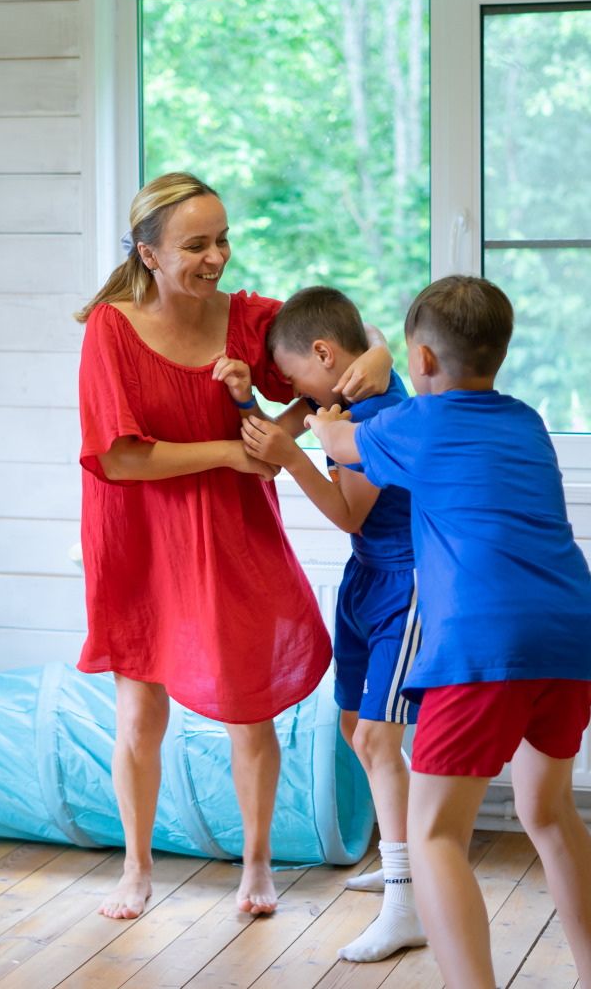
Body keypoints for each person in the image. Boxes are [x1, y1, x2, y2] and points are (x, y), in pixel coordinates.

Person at [75, 173, 392, 920]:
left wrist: (374, 356)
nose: (217, 256)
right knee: (138, 713)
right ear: (148, 254)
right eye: (196, 244)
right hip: (140, 535)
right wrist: (226, 453)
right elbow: (118, 458)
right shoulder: (110, 330)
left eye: (222, 238)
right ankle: (136, 866)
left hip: (233, 531)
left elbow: (339, 344)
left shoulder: (249, 319)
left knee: (248, 705)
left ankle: (257, 867)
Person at [307, 275, 591, 989]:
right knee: (548, 810)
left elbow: (331, 434)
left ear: (419, 359)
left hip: (480, 647)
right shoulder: (526, 421)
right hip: (569, 639)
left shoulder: (417, 425)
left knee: (435, 835)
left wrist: (373, 353)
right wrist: (395, 354)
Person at [229, 286, 426, 963]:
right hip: (365, 579)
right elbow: (365, 331)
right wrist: (249, 404)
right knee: (354, 728)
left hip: (409, 582)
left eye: (294, 380)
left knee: (375, 737)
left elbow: (349, 513)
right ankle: (406, 859)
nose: (296, 394)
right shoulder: (344, 382)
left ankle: (406, 900)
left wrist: (293, 460)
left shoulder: (382, 416)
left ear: (323, 354)